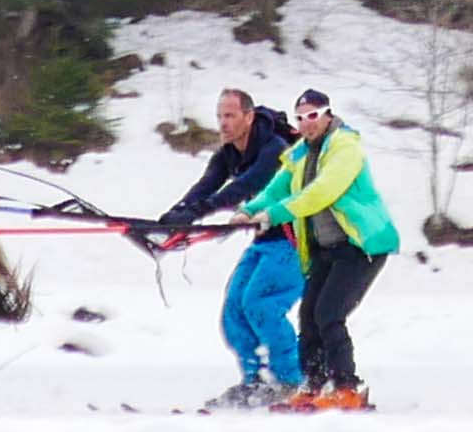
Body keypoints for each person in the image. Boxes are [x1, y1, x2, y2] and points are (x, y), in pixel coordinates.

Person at [234, 88, 399, 411]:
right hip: (325, 249)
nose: (306, 123)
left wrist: (274, 215)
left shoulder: (345, 148)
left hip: (360, 247)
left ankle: (347, 389)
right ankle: (313, 386)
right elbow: (276, 189)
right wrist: (249, 210)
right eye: (300, 118)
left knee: (329, 314)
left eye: (313, 115)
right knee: (308, 318)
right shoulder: (300, 154)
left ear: (327, 115)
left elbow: (321, 192)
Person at [160, 88, 304, 408]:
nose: (223, 123)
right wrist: (176, 214)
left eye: (230, 116)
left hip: (297, 240)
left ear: (248, 117)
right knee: (234, 310)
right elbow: (206, 186)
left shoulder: (274, 149)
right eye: (220, 116)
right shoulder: (228, 153)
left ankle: (291, 382)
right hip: (265, 240)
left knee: (261, 305)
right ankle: (256, 382)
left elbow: (245, 185)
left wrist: (197, 212)